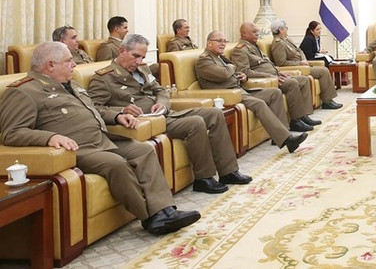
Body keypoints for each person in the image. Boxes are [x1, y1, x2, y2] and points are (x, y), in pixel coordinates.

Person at [0, 42, 200, 235]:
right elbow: (12, 132)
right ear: (50, 65)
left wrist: (118, 115)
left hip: (102, 138)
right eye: (69, 61)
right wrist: (49, 137)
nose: (74, 65)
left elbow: (93, 109)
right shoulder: (23, 91)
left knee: (144, 150)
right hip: (78, 149)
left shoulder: (71, 84)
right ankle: (151, 217)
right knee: (116, 163)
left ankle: (166, 210)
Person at [88, 34, 252, 195]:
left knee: (215, 114)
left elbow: (161, 90)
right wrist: (121, 111)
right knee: (195, 122)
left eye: (142, 57)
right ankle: (204, 178)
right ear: (122, 50)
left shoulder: (142, 69)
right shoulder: (103, 78)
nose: (138, 61)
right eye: (135, 56)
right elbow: (94, 108)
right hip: (147, 123)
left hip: (164, 113)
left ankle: (228, 172)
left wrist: (163, 104)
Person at [195, 31, 307, 153]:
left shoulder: (219, 58)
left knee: (274, 93)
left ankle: (281, 135)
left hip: (240, 89)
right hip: (227, 95)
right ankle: (288, 140)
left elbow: (231, 73)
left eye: (224, 41)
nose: (222, 44)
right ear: (209, 43)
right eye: (219, 41)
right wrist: (232, 67)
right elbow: (225, 73)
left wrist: (244, 77)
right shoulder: (204, 61)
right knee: (259, 103)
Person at [232, 22, 323, 131]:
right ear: (244, 33)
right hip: (263, 81)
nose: (257, 34)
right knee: (292, 83)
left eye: (257, 31)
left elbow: (267, 64)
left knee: (303, 80)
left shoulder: (255, 46)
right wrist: (270, 76)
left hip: (274, 76)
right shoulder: (240, 50)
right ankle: (295, 121)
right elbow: (245, 72)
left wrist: (278, 72)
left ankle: (303, 116)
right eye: (254, 32)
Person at [269, 19, 341, 110]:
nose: (287, 29)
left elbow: (300, 50)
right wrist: (299, 63)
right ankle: (327, 101)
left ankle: (328, 100)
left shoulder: (287, 40)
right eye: (286, 28)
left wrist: (304, 59)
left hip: (303, 64)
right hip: (296, 68)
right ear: (280, 30)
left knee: (324, 68)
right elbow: (281, 63)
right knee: (323, 71)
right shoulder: (278, 43)